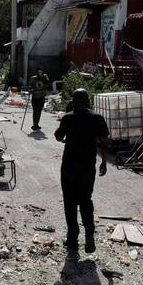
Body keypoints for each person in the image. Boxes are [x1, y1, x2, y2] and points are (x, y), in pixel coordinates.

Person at [55, 88, 109, 257]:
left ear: (73, 101)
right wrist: (104, 161)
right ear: (88, 101)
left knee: (69, 202)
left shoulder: (68, 118)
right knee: (85, 199)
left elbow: (58, 136)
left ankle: (72, 241)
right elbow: (104, 140)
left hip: (69, 167)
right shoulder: (97, 118)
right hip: (88, 166)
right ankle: (89, 233)